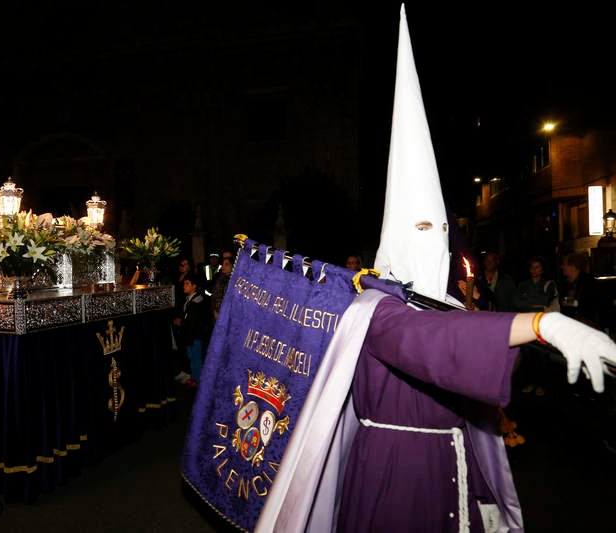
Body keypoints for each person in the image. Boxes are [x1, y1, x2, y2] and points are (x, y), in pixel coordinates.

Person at [256, 7, 616, 531]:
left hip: (453, 466)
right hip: (395, 478)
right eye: (424, 229)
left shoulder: (442, 300)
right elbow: (425, 343)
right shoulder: (374, 308)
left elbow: (471, 356)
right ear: (396, 238)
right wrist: (542, 323)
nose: (438, 243)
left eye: (443, 231)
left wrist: (534, 344)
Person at [513, 255, 559, 396]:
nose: (534, 270)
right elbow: (516, 302)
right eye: (532, 267)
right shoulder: (523, 285)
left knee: (542, 356)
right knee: (528, 355)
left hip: (542, 324)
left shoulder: (548, 284)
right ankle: (530, 382)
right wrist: (536, 303)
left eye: (537, 267)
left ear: (542, 269)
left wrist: (528, 301)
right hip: (526, 323)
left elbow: (546, 300)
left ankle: (542, 384)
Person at [179, 271, 209, 388]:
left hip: (195, 336)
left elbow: (195, 321)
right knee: (192, 358)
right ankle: (194, 377)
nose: (184, 286)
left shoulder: (198, 301)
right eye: (184, 283)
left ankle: (199, 379)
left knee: (196, 358)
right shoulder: (188, 300)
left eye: (187, 284)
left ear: (194, 286)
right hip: (189, 335)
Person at [559, 252, 599, 328]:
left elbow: (590, 304)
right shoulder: (565, 283)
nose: (562, 267)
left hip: (587, 326)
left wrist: (570, 303)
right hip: (570, 324)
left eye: (564, 264)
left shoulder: (589, 282)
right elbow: (563, 303)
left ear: (573, 266)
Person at [172, 257, 194, 383]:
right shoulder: (178, 277)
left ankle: (189, 373)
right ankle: (183, 371)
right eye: (181, 264)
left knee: (187, 346)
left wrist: (182, 318)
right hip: (177, 310)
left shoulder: (191, 277)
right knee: (180, 344)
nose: (182, 266)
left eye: (184, 264)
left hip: (184, 314)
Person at [210, 249, 234, 325]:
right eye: (223, 264)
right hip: (217, 315)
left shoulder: (236, 280)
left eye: (226, 264)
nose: (223, 266)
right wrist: (215, 310)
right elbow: (215, 296)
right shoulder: (219, 278)